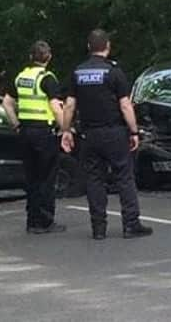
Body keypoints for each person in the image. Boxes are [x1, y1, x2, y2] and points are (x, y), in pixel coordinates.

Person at [61, 29, 153, 240]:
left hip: (89, 135)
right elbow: (125, 105)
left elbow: (69, 105)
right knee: (124, 178)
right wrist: (134, 131)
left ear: (88, 48)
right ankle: (131, 225)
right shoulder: (114, 72)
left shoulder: (78, 72)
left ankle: (98, 228)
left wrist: (66, 131)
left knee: (94, 179)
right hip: (114, 133)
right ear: (108, 47)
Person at [2, 40, 66, 234]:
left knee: (31, 178)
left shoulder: (21, 77)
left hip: (26, 131)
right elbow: (55, 107)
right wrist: (65, 128)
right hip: (44, 133)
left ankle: (32, 220)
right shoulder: (47, 78)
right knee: (46, 177)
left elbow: (6, 103)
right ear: (49, 57)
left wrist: (16, 124)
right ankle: (45, 221)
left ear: (31, 57)